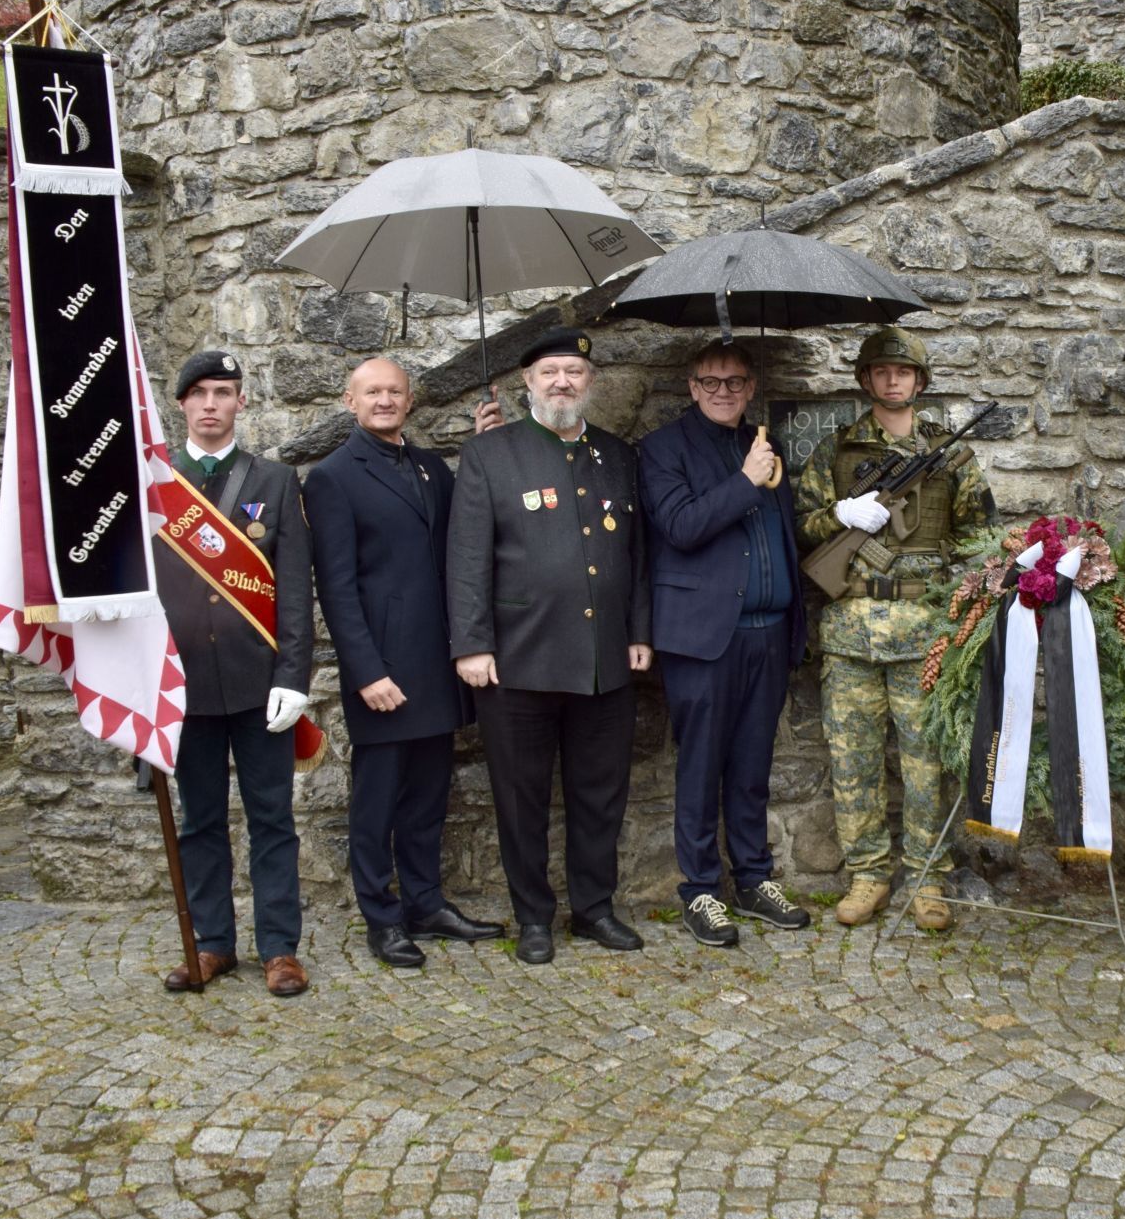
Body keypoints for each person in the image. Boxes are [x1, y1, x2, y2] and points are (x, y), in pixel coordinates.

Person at [447, 328, 652, 966]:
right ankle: (533, 917)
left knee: (600, 794)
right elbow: (467, 557)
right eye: (549, 372)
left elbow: (636, 555)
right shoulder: (491, 455)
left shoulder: (618, 455)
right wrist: (472, 644)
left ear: (590, 382)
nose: (562, 382)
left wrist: (639, 631)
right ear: (526, 384)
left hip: (602, 660)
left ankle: (593, 909)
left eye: (573, 372)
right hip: (518, 660)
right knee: (521, 796)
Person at [304, 358, 504, 969]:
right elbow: (335, 587)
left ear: (410, 400)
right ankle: (381, 917)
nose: (385, 400)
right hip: (384, 670)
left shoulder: (430, 468)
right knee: (377, 802)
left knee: (427, 799)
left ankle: (425, 904)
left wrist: (485, 452)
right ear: (350, 401)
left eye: (394, 390)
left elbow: (464, 538)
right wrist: (365, 671)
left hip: (436, 662)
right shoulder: (332, 478)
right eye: (373, 392)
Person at [794, 326, 995, 930]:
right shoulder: (835, 450)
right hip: (852, 631)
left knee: (925, 762)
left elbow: (980, 537)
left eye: (903, 372)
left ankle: (929, 879)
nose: (892, 380)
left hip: (922, 634)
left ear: (920, 382)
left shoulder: (951, 453)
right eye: (881, 371)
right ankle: (868, 876)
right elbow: (802, 526)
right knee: (852, 760)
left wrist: (956, 604)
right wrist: (840, 514)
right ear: (865, 380)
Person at [639, 341, 811, 948]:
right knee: (701, 765)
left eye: (735, 382)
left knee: (752, 767)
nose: (722, 391)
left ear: (750, 388)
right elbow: (682, 526)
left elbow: (782, 534)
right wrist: (745, 480)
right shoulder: (662, 449)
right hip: (704, 638)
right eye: (710, 381)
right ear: (690, 386)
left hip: (768, 633)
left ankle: (755, 879)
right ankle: (701, 891)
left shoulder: (764, 444)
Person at [156, 350, 313, 997]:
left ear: (242, 401)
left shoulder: (274, 481)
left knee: (272, 818)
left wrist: (295, 674)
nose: (213, 404)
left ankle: (279, 947)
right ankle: (213, 943)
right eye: (201, 394)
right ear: (183, 405)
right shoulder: (156, 482)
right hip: (184, 685)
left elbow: (296, 589)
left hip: (258, 684)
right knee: (200, 821)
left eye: (225, 392)